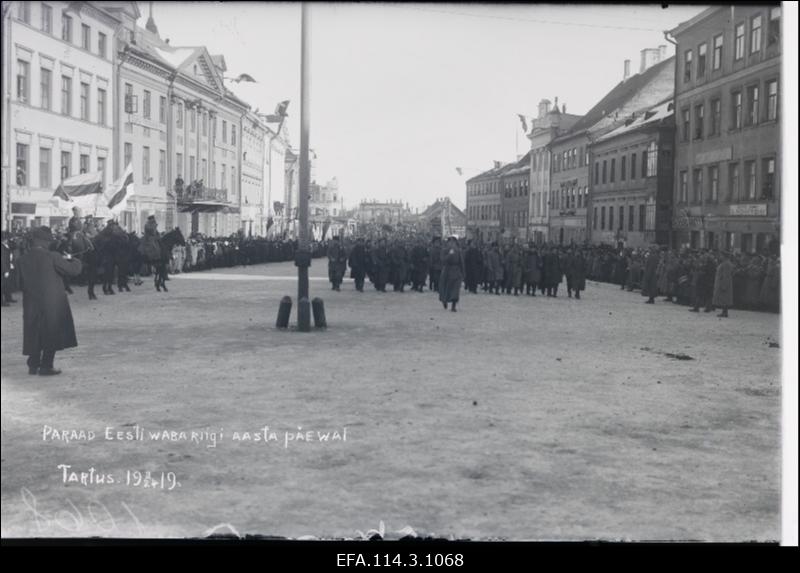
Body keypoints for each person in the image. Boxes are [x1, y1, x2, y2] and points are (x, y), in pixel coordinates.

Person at [18, 226, 83, 376]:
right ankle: (46, 366)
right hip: (52, 302)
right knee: (51, 332)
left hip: (31, 302)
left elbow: (18, 283)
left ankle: (33, 364)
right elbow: (73, 270)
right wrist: (73, 259)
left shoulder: (22, 259)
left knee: (34, 331)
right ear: (46, 242)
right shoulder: (52, 256)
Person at [439, 236, 464, 312]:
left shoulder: (458, 251)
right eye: (450, 242)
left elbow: (461, 262)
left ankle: (453, 305)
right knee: (446, 288)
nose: (452, 244)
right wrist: (449, 255)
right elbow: (443, 260)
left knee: (455, 289)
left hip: (456, 271)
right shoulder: (444, 250)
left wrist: (463, 272)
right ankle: (445, 300)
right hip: (447, 271)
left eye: (453, 242)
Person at [713, 251, 734, 318]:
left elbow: (726, 275)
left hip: (724, 282)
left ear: (724, 256)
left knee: (725, 298)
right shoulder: (725, 263)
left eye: (721, 255)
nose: (720, 257)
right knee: (723, 298)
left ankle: (725, 312)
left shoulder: (726, 264)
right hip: (721, 282)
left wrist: (724, 285)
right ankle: (724, 312)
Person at [2, 231, 17, 306]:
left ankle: (8, 297)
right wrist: (5, 271)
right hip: (3, 269)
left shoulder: (6, 245)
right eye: (5, 238)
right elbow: (2, 259)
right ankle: (1, 302)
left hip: (8, 266)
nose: (6, 240)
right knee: (2, 285)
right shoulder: (2, 247)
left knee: (7, 284)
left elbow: (14, 246)